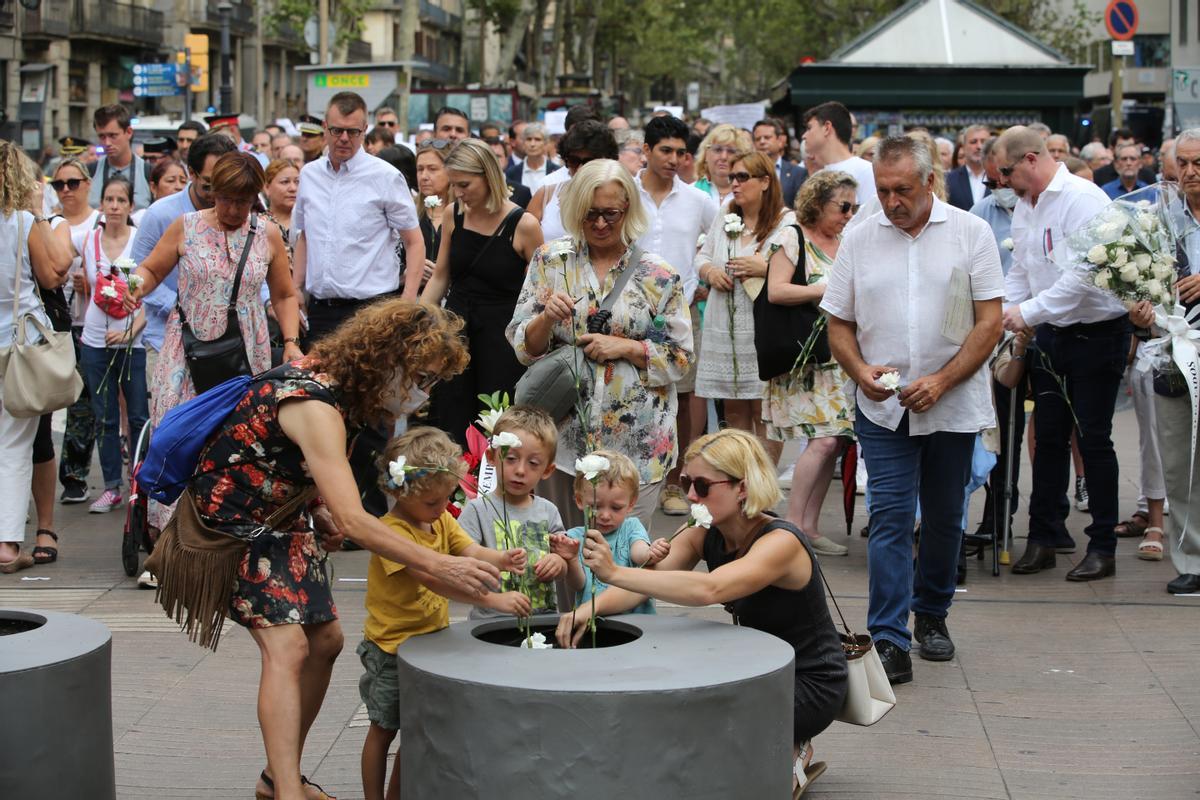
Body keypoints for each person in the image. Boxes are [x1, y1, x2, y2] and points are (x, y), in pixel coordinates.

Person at [172, 300, 502, 800]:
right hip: (232, 524)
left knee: (325, 642)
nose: (423, 392)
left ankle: (273, 777)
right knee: (289, 647)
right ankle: (286, 791)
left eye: (433, 382)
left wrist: (318, 509)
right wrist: (438, 562)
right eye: (422, 376)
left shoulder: (343, 392)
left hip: (281, 520)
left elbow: (294, 465)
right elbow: (356, 520)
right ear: (388, 357)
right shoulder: (317, 401)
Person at [558, 428, 848, 797]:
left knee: (704, 715)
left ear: (742, 487)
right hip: (757, 668)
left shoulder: (781, 541)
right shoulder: (703, 528)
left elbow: (710, 589)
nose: (690, 494)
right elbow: (647, 582)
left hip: (807, 681)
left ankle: (791, 747)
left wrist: (613, 571)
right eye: (685, 482)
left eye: (703, 485)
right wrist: (588, 609)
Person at [821, 135, 1004, 684]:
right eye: (883, 190)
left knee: (946, 518)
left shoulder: (971, 232)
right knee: (891, 517)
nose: (892, 200)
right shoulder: (859, 236)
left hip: (952, 403)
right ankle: (888, 636)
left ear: (929, 180)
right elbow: (838, 323)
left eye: (902, 189)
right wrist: (860, 372)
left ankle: (932, 615)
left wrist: (944, 380)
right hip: (883, 408)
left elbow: (989, 323)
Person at [507, 159, 693, 530]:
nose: (601, 224)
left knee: (624, 560)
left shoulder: (658, 275)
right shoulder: (552, 261)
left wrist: (624, 348)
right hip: (565, 442)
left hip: (638, 442)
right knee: (565, 553)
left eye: (611, 213)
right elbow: (523, 346)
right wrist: (545, 319)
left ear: (629, 210)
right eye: (590, 214)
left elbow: (681, 358)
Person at [129, 152, 303, 532]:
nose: (233, 208)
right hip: (187, 349)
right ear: (212, 191)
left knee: (238, 440)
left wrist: (290, 341)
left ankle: (229, 530)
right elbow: (151, 271)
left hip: (245, 352)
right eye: (225, 198)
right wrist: (130, 288)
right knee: (176, 435)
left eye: (242, 200)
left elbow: (285, 295)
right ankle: (170, 542)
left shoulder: (266, 233)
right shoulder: (185, 227)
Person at [358, 425, 527, 800]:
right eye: (433, 503)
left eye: (446, 500)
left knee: (416, 730)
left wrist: (501, 557)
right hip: (390, 650)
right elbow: (437, 580)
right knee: (383, 730)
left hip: (429, 645)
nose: (441, 510)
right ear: (400, 491)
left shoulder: (439, 518)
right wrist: (494, 602)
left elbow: (471, 551)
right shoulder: (393, 534)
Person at [998, 126, 1132, 582]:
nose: (1001, 179)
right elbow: (1021, 269)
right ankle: (1044, 536)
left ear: (1031, 159)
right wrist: (1005, 310)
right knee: (1048, 437)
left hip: (1097, 333)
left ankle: (1103, 545)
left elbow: (1082, 277)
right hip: (1051, 335)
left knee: (1093, 439)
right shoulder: (1025, 205)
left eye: (1006, 169)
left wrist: (1027, 311)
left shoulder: (1083, 198)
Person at [420, 139, 542, 446]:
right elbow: (441, 276)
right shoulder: (453, 214)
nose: (459, 193)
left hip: (501, 335)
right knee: (452, 413)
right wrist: (416, 320)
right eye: (454, 185)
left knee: (497, 418)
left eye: (465, 184)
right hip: (456, 328)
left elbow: (542, 289)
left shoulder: (523, 224)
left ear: (488, 176)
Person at [762, 170, 858, 558]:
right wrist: (826, 290)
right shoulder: (792, 235)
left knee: (834, 442)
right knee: (823, 441)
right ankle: (794, 527)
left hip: (840, 355)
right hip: (805, 357)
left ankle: (810, 527)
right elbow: (776, 290)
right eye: (843, 206)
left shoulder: (845, 241)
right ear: (818, 204)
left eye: (854, 207)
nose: (850, 214)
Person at [1128, 127, 1200, 594]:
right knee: (1178, 460)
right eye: (1185, 165)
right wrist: (1137, 312)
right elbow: (1137, 281)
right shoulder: (1159, 223)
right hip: (1174, 354)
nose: (1191, 174)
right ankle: (1191, 557)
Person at [635, 115, 718, 517]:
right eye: (664, 150)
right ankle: (629, 476)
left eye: (680, 152)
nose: (673, 159)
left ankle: (675, 482)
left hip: (681, 314)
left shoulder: (699, 200)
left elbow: (720, 243)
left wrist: (702, 272)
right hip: (628, 312)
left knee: (684, 398)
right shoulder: (626, 193)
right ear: (646, 150)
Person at [293, 92, 425, 328]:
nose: (344, 138)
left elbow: (414, 242)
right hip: (321, 310)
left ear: (364, 129)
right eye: (336, 130)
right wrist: (295, 289)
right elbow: (305, 235)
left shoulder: (385, 176)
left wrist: (406, 304)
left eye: (353, 132)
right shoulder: (309, 175)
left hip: (372, 310)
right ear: (325, 127)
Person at [694, 151, 795, 452]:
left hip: (762, 326)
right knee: (734, 411)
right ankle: (741, 487)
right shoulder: (726, 213)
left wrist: (763, 268)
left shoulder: (786, 221)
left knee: (764, 412)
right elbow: (701, 255)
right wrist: (711, 272)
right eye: (732, 178)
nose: (734, 184)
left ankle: (761, 490)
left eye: (742, 177)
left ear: (765, 181)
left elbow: (803, 269)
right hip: (723, 323)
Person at [0, 142, 70, 572]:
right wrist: (41, 215)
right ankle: (7, 544)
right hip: (16, 344)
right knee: (14, 445)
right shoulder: (24, 220)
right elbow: (53, 271)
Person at [458, 405, 568, 619]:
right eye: (510, 458)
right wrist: (498, 559)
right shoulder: (478, 511)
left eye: (533, 463)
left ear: (547, 470)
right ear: (491, 456)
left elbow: (565, 563)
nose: (520, 470)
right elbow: (461, 559)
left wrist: (558, 564)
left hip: (542, 620)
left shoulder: (549, 511)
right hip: (490, 622)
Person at [78, 176, 148, 514]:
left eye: (121, 200)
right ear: (102, 205)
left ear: (131, 205)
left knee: (137, 415)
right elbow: (86, 290)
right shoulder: (90, 240)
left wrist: (129, 332)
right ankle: (111, 487)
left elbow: (152, 298)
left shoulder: (140, 241)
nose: (115, 206)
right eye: (109, 200)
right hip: (94, 340)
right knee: (104, 416)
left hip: (131, 342)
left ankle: (141, 483)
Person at [967, 139, 1024, 541]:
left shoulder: (1038, 207)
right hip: (995, 333)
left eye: (1004, 175)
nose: (998, 184)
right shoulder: (980, 214)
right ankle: (990, 521)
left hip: (1035, 325)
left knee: (1022, 430)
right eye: (991, 179)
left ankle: (1008, 516)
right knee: (995, 429)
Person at [48, 157, 102, 505]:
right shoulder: (47, 224)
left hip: (89, 323)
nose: (66, 190)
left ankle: (74, 474)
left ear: (86, 184)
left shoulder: (99, 221)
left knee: (84, 403)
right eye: (58, 184)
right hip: (53, 324)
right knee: (48, 397)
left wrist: (92, 283)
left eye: (72, 182)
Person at [563, 449, 670, 614]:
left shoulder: (631, 526)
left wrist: (651, 553)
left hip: (637, 621)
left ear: (631, 503)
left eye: (616, 507)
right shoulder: (574, 537)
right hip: (593, 621)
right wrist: (570, 559)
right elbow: (578, 584)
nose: (605, 516)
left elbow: (638, 552)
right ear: (579, 500)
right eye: (596, 506)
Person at [526, 120, 618, 243]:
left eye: (589, 162)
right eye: (574, 161)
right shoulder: (545, 195)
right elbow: (524, 245)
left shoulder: (621, 198)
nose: (580, 169)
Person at [801, 101, 875, 206]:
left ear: (827, 128)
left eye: (809, 128)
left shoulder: (867, 171)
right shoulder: (817, 176)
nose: (804, 136)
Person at [89, 105, 152, 210]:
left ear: (129, 132)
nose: (107, 143)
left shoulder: (148, 173)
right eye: (102, 137)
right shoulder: (89, 172)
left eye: (113, 136)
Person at [414, 139, 451, 293]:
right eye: (420, 169)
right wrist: (408, 271)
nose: (424, 176)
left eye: (432, 169)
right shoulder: (408, 211)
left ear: (450, 171)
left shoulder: (465, 213)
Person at [693, 123, 751, 204]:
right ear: (706, 154)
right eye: (718, 150)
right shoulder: (690, 192)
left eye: (731, 151)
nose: (724, 157)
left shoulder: (751, 195)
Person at [754, 118, 804, 207]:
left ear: (779, 141)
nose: (762, 142)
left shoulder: (798, 173)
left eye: (767, 137)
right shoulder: (747, 172)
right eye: (758, 139)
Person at [131, 158, 188, 226]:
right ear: (153, 187)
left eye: (183, 181)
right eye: (170, 181)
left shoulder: (193, 220)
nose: (179, 187)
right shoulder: (139, 219)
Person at [946, 125, 990, 211]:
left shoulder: (1001, 180)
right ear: (964, 147)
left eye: (983, 142)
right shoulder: (949, 179)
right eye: (973, 142)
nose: (979, 147)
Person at [505, 122, 559, 192]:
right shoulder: (512, 172)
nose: (532, 144)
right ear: (524, 142)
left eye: (537, 139)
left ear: (545, 143)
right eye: (529, 139)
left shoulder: (556, 171)